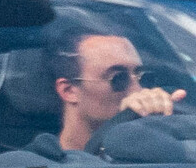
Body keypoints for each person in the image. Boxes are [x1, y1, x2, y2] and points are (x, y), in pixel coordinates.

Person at [49, 29, 184, 151]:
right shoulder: (39, 164)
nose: (138, 90)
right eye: (119, 78)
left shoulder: (156, 157)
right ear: (69, 90)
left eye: (143, 78)